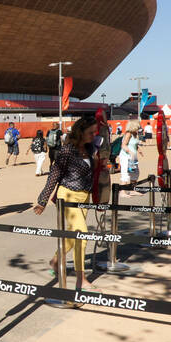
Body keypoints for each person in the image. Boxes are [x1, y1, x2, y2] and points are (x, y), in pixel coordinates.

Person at [35, 116, 98, 290]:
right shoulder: (67, 150)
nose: (93, 135)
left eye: (95, 132)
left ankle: (55, 261)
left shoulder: (90, 147)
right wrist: (42, 200)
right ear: (81, 131)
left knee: (72, 235)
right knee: (82, 235)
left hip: (84, 197)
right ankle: (81, 280)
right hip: (68, 196)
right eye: (90, 132)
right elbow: (54, 175)